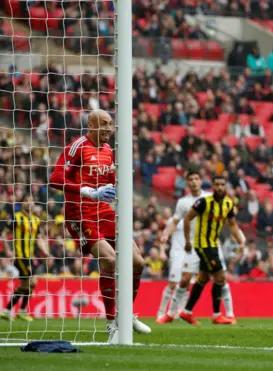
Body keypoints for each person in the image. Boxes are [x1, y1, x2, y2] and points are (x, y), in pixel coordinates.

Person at [49, 109, 151, 343]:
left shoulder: (108, 151)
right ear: (92, 124)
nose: (109, 128)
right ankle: (110, 324)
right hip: (81, 212)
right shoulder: (77, 147)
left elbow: (110, 182)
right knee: (110, 259)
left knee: (138, 262)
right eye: (104, 124)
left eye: (111, 124)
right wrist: (87, 191)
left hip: (105, 211)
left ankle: (125, 316)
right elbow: (54, 179)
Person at [156, 171, 237, 324]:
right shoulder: (183, 202)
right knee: (185, 279)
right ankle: (171, 314)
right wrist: (166, 234)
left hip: (212, 244)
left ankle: (230, 313)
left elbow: (226, 217)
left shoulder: (210, 197)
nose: (194, 182)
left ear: (201, 181)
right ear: (187, 183)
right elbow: (175, 221)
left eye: (196, 179)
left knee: (221, 278)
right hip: (193, 246)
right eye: (191, 180)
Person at [178, 175, 246, 326]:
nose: (220, 187)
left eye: (223, 184)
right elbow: (188, 218)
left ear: (226, 187)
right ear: (213, 187)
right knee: (220, 277)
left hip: (214, 245)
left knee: (203, 278)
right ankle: (216, 314)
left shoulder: (228, 203)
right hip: (203, 245)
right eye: (217, 184)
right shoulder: (203, 202)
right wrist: (188, 241)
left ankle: (187, 312)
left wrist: (241, 241)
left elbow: (233, 225)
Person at [0, 194, 50, 321]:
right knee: (31, 281)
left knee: (28, 284)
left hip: (30, 256)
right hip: (19, 256)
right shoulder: (16, 217)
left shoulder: (36, 220)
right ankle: (14, 310)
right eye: (27, 201)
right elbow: (4, 233)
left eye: (31, 201)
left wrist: (45, 251)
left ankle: (13, 310)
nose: (29, 203)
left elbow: (38, 238)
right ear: (22, 203)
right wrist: (7, 250)